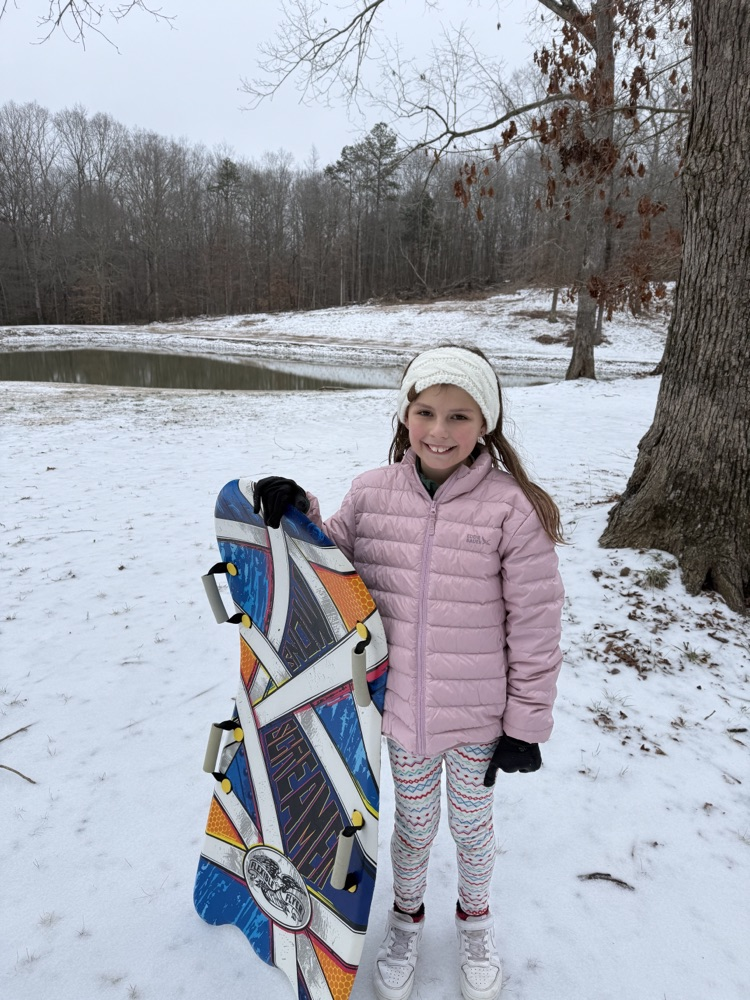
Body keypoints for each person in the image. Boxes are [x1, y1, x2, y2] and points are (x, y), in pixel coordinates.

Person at [253, 345, 564, 1000]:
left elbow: (535, 623)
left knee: (472, 827)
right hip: (398, 712)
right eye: (426, 411)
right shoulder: (372, 492)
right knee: (414, 827)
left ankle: (475, 921)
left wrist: (526, 724)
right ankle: (407, 918)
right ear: (405, 414)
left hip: (479, 717)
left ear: (486, 424)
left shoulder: (510, 509)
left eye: (460, 416)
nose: (439, 431)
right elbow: (328, 555)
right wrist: (293, 505)